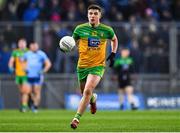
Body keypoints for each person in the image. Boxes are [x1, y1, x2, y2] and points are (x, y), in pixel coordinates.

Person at [69, 4, 118, 129]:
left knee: (87, 90)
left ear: (100, 16)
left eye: (95, 13)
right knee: (84, 93)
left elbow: (114, 39)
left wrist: (113, 53)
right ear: (87, 15)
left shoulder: (107, 30)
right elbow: (71, 43)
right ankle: (93, 99)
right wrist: (65, 47)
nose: (92, 16)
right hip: (82, 66)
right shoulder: (79, 29)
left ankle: (76, 119)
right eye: (90, 13)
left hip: (97, 66)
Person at [23, 42, 51, 113]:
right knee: (27, 91)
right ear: (30, 47)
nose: (35, 47)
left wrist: (43, 71)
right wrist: (24, 69)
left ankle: (35, 107)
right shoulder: (27, 54)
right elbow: (23, 63)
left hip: (37, 76)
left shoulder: (41, 54)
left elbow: (48, 64)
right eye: (33, 46)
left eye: (36, 46)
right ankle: (27, 105)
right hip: (28, 76)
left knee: (36, 91)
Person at [8, 38, 30, 112]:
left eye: (23, 43)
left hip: (25, 74)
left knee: (25, 91)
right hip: (18, 74)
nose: (21, 44)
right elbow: (11, 61)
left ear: (25, 44)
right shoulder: (15, 52)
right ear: (18, 44)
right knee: (21, 92)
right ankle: (24, 105)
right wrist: (11, 67)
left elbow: (31, 61)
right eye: (20, 43)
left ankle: (25, 106)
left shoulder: (28, 52)